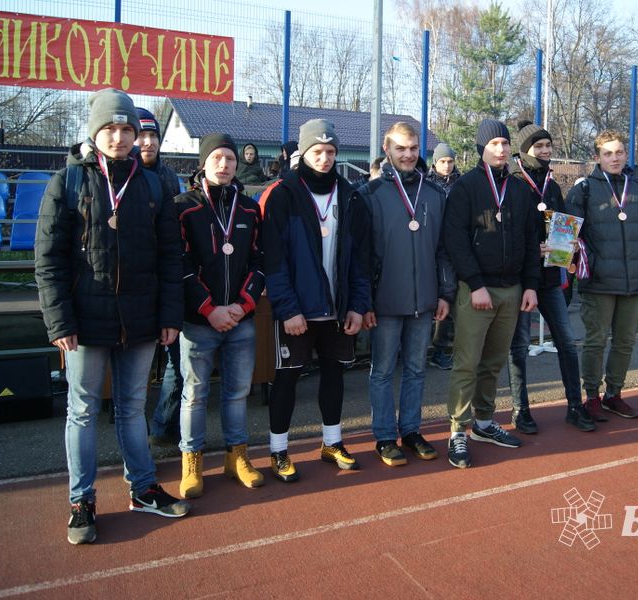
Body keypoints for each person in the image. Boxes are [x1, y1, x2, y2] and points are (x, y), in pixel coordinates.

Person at [35, 88, 190, 545]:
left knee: (131, 408)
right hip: (85, 323)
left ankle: (142, 488)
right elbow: (48, 260)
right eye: (111, 129)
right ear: (95, 132)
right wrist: (60, 322)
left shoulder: (153, 184)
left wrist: (169, 315)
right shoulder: (67, 182)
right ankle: (81, 501)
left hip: (141, 319)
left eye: (128, 129)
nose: (121, 138)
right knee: (82, 411)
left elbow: (169, 257)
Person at [262, 119, 371, 481]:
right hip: (298, 310)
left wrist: (357, 304)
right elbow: (274, 260)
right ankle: (278, 449)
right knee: (288, 378)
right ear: (304, 154)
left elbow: (359, 258)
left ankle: (332, 442)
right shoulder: (284, 194)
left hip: (338, 309)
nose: (324, 158)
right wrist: (288, 308)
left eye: (330, 152)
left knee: (334, 375)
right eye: (317, 152)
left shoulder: (351, 195)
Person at [442, 119, 540, 469]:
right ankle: (457, 430)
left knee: (494, 361)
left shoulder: (519, 190)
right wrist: (476, 283)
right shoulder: (466, 187)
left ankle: (483, 422)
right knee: (467, 363)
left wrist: (530, 286)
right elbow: (454, 241)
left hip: (512, 290)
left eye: (504, 143)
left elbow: (531, 242)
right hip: (476, 290)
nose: (500, 149)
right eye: (493, 143)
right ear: (481, 148)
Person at [359, 122, 454, 467]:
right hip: (384, 301)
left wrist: (445, 293)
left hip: (425, 299)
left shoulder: (434, 194)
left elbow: (444, 249)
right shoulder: (369, 195)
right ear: (387, 149)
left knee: (416, 369)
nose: (408, 154)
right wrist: (364, 300)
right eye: (401, 148)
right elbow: (363, 254)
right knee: (382, 371)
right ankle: (385, 436)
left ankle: (411, 430)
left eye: (413, 148)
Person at [176, 133, 266, 498]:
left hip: (240, 319)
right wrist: (210, 309)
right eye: (217, 158)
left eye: (230, 158)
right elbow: (180, 266)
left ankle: (237, 456)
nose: (225, 164)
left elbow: (260, 262)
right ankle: (192, 462)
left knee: (237, 393)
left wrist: (243, 306)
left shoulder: (249, 208)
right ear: (203, 163)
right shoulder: (183, 207)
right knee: (195, 395)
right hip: (200, 322)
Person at [566, 129, 638, 421]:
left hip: (634, 281)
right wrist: (585, 263)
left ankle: (614, 394)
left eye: (619, 152)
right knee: (596, 341)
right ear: (597, 157)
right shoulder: (583, 189)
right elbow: (567, 232)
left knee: (625, 341)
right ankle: (591, 396)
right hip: (599, 282)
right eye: (608, 153)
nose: (615, 158)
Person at [507, 121, 594, 434]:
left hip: (549, 277)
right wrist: (533, 248)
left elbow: (561, 224)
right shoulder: (514, 182)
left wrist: (566, 251)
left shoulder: (553, 185)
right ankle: (520, 410)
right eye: (538, 146)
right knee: (518, 348)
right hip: (521, 280)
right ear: (525, 149)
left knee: (567, 343)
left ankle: (575, 405)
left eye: (548, 146)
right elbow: (510, 232)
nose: (545, 151)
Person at [135, 107, 185, 448]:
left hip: (167, 279)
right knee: (135, 372)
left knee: (177, 363)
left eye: (153, 136)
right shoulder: (115, 178)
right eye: (142, 135)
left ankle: (162, 427)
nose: (148, 142)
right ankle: (135, 438)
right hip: (134, 284)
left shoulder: (168, 178)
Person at [426, 142, 461, 370]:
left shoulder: (461, 184)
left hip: (454, 248)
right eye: (442, 161)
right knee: (436, 298)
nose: (447, 166)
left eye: (450, 161)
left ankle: (442, 348)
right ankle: (431, 348)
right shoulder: (427, 185)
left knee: (450, 299)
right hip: (431, 246)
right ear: (435, 163)